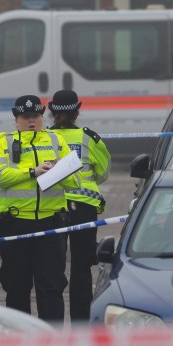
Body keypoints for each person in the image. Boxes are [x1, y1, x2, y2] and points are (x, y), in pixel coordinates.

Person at [0, 94, 80, 322]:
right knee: (16, 287)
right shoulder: (4, 141)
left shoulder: (56, 140)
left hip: (50, 225)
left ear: (42, 116)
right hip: (14, 224)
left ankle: (52, 344)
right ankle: (18, 344)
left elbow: (75, 180)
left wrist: (58, 172)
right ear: (16, 119)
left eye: (36, 116)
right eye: (26, 117)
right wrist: (32, 173)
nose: (32, 121)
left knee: (51, 288)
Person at [47, 89, 112, 324]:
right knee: (82, 269)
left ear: (51, 111)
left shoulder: (44, 138)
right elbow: (103, 174)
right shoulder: (89, 138)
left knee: (53, 269)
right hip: (84, 209)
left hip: (52, 209)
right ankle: (81, 325)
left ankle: (53, 323)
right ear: (78, 110)